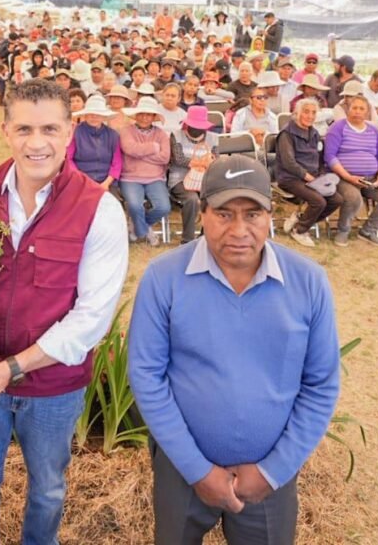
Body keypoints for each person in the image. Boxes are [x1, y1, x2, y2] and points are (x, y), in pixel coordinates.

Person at [0, 79, 128, 545]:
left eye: (49, 128)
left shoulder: (98, 209)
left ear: (69, 133)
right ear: (6, 130)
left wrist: (13, 367)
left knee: (46, 490)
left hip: (52, 387)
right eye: (24, 128)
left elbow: (91, 318)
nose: (36, 142)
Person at [128, 154, 340, 545]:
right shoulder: (164, 278)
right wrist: (197, 470)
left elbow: (321, 385)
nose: (239, 230)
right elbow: (146, 376)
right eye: (224, 214)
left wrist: (273, 471)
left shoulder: (309, 281)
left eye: (252, 214)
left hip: (269, 477)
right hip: (183, 471)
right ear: (202, 212)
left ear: (270, 215)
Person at [275, 98, 344, 247]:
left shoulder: (314, 133)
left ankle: (301, 219)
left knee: (336, 200)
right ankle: (299, 231)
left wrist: (320, 176)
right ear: (296, 113)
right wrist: (309, 177)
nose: (310, 116)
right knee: (318, 201)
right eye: (306, 112)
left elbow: (319, 159)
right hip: (290, 178)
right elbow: (289, 163)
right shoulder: (286, 134)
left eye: (313, 112)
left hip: (312, 177)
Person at [324, 95, 378, 246]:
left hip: (370, 178)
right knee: (354, 198)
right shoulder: (337, 127)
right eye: (354, 108)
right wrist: (348, 177)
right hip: (343, 177)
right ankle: (343, 231)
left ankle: (368, 230)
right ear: (348, 110)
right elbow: (330, 157)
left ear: (367, 112)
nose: (357, 111)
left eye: (361, 108)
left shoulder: (373, 130)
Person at [119, 97, 172, 246]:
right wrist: (153, 148)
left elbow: (165, 158)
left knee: (164, 207)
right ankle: (144, 231)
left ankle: (136, 227)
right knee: (135, 206)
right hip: (130, 177)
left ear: (154, 117)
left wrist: (140, 155)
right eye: (141, 113)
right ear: (136, 115)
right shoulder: (126, 131)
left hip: (155, 177)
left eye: (148, 114)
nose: (144, 117)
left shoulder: (161, 134)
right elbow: (129, 149)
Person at [169, 106, 215, 244]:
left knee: (215, 199)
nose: (197, 129)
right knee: (192, 200)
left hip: (205, 179)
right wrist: (202, 162)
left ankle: (204, 236)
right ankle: (187, 240)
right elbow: (179, 159)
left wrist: (206, 163)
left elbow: (216, 160)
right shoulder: (175, 135)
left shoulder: (214, 138)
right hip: (180, 179)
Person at [66, 95, 122, 198]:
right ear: (85, 115)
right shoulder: (75, 132)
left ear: (104, 116)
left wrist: (106, 183)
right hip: (80, 180)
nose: (94, 117)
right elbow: (68, 159)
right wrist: (80, 179)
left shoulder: (113, 135)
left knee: (112, 208)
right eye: (91, 114)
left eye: (98, 114)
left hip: (106, 181)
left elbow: (117, 163)